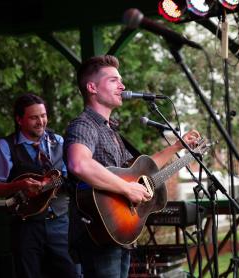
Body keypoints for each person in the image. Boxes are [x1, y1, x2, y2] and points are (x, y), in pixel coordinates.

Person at [64, 55, 200, 278]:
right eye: (113, 80)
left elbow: (142, 169)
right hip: (98, 232)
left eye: (121, 80)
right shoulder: (84, 125)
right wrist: (127, 189)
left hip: (120, 230)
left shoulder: (111, 131)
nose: (122, 86)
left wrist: (178, 146)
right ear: (92, 87)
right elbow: (79, 164)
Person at [0, 93, 78, 278]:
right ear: (19, 119)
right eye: (34, 117)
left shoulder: (59, 141)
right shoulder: (5, 146)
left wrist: (52, 183)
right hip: (26, 227)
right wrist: (18, 185)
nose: (41, 122)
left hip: (60, 223)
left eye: (43, 115)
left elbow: (68, 178)